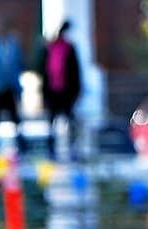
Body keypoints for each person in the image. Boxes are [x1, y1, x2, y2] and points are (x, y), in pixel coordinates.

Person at [40, 19, 82, 160]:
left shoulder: (69, 49)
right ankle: (51, 149)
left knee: (69, 120)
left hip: (66, 91)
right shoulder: (50, 49)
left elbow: (75, 71)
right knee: (52, 121)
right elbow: (45, 72)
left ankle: (72, 147)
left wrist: (77, 90)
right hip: (53, 91)